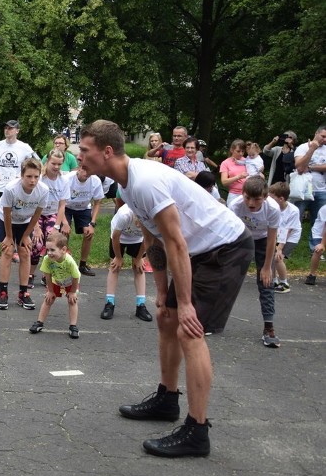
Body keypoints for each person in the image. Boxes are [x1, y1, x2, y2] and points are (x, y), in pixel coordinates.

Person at [78, 119, 254, 458]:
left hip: (225, 247)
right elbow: (153, 238)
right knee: (167, 319)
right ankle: (167, 399)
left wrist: (185, 303)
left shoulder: (145, 182)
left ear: (107, 151)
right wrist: (162, 293)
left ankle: (197, 431)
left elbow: (175, 242)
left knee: (189, 329)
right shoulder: (126, 184)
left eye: (85, 151)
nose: (81, 158)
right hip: (197, 251)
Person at [228, 176, 281, 347]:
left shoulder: (272, 208)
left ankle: (269, 328)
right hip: (242, 238)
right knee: (225, 279)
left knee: (266, 282)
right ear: (242, 194)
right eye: (247, 198)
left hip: (263, 241)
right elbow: (231, 231)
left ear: (265, 197)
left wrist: (266, 267)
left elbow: (272, 238)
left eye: (256, 199)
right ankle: (209, 320)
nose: (251, 203)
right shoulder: (236, 205)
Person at [0, 119, 37, 262]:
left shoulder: (24, 147)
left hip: (17, 189)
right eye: (6, 128)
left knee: (15, 220)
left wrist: (25, 178)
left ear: (17, 131)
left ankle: (15, 250)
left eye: (11, 128)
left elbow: (37, 163)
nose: (7, 130)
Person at [0, 159, 49, 311]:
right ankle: (3, 292)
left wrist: (26, 236)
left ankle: (23, 293)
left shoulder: (43, 190)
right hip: (8, 220)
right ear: (21, 176)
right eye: (29, 176)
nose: (33, 181)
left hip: (26, 221)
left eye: (36, 177)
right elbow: (6, 214)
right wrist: (9, 238)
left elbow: (37, 214)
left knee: (25, 252)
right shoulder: (11, 189)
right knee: (8, 251)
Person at [100, 204, 153, 322]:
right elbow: (115, 237)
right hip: (120, 236)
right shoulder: (124, 215)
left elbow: (148, 238)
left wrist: (139, 258)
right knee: (115, 267)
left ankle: (141, 305)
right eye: (138, 223)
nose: (139, 225)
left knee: (139, 268)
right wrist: (118, 257)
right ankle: (109, 303)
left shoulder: (151, 216)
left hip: (138, 239)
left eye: (142, 224)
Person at [28, 231, 81, 339]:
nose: (49, 253)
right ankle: (39, 322)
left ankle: (73, 326)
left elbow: (76, 277)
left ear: (63, 250)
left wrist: (72, 292)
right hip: (56, 281)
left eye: (52, 250)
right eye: (47, 250)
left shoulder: (69, 261)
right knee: (48, 299)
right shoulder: (47, 259)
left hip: (71, 283)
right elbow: (47, 275)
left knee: (72, 301)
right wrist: (50, 291)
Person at [29, 150, 68, 285]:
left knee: (52, 245)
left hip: (52, 214)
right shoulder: (40, 178)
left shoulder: (63, 180)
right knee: (37, 243)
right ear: (47, 162)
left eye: (59, 164)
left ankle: (47, 275)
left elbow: (62, 205)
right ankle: (30, 274)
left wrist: (56, 227)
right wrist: (36, 227)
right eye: (53, 164)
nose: (56, 167)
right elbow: (32, 202)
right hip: (37, 213)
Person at [63, 166, 104, 276]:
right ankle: (64, 261)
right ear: (79, 169)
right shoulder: (68, 179)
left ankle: (82, 264)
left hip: (84, 207)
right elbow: (60, 201)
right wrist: (65, 223)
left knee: (88, 233)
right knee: (64, 232)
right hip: (66, 207)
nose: (87, 173)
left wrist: (92, 223)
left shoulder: (95, 181)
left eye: (90, 171)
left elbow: (97, 202)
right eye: (85, 170)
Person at [268, 182, 301, 293]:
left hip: (290, 237)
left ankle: (284, 283)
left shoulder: (293, 211)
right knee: (271, 257)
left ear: (281, 199)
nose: (268, 199)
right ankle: (273, 281)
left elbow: (287, 231)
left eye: (272, 197)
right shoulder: (273, 207)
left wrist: (280, 248)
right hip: (278, 235)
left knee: (278, 258)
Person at [293, 125, 326, 222]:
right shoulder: (302, 147)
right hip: (303, 189)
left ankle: (316, 238)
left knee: (320, 222)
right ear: (316, 133)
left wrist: (311, 167)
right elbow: (299, 168)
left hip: (321, 190)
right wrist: (311, 149)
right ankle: (292, 237)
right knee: (296, 219)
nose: (324, 139)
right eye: (323, 136)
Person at [219, 139, 249, 204]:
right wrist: (239, 177)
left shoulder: (247, 161)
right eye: (238, 151)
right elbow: (224, 182)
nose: (241, 154)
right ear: (232, 150)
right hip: (234, 195)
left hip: (248, 194)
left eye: (243, 151)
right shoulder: (225, 163)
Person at [304, 204, 326, 285]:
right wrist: (322, 244)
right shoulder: (325, 209)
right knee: (318, 251)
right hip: (319, 234)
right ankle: (312, 275)